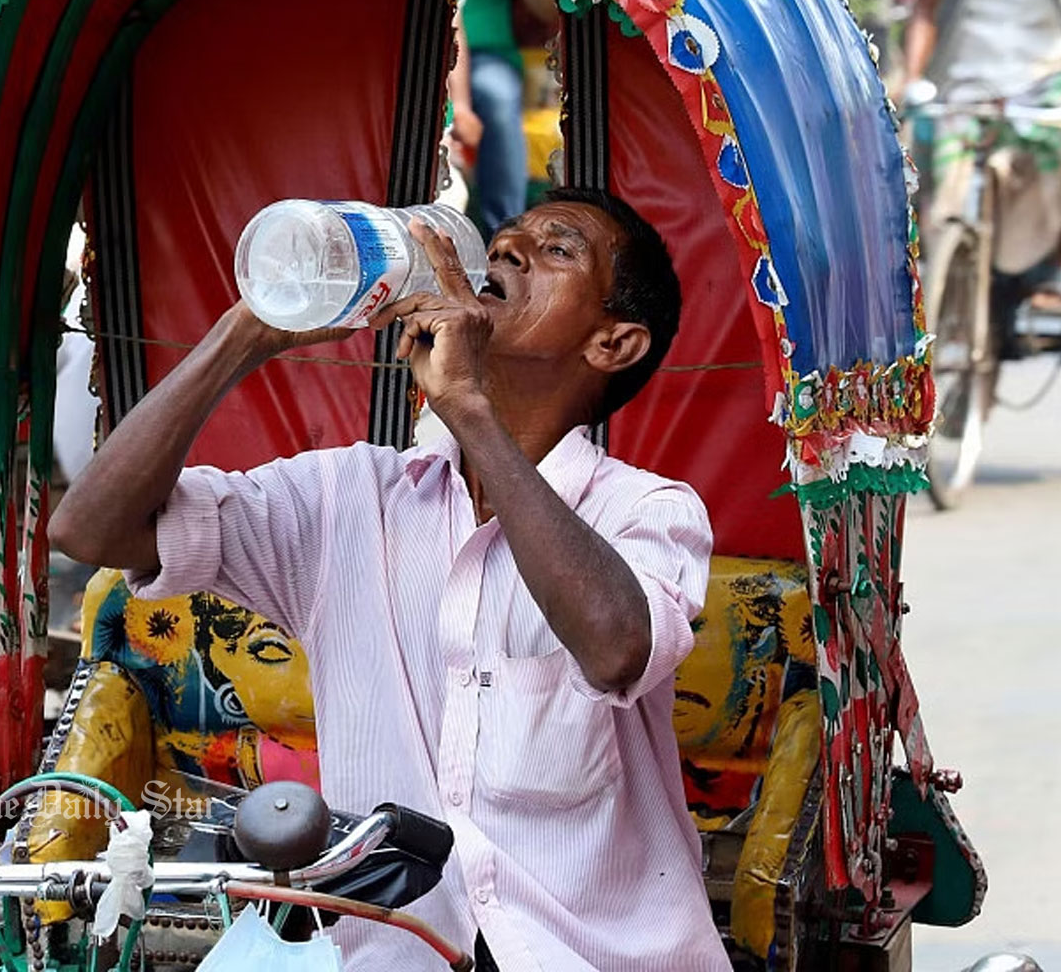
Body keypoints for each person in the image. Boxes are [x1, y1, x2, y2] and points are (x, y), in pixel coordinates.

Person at [50, 189, 727, 971]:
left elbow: (615, 648)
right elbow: (88, 530)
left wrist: (469, 406)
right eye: (505, 241)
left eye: (558, 250)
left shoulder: (647, 510)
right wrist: (252, 328)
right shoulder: (349, 498)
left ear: (613, 343)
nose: (507, 253)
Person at [904, 0, 1061, 310]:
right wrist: (913, 81)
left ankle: (1047, 271)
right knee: (943, 195)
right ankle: (952, 288)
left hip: (1045, 78)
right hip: (965, 82)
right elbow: (926, 7)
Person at [459, 0, 557, 235]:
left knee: (497, 98)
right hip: (415, 49)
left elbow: (547, 8)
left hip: (487, 57)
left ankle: (502, 232)